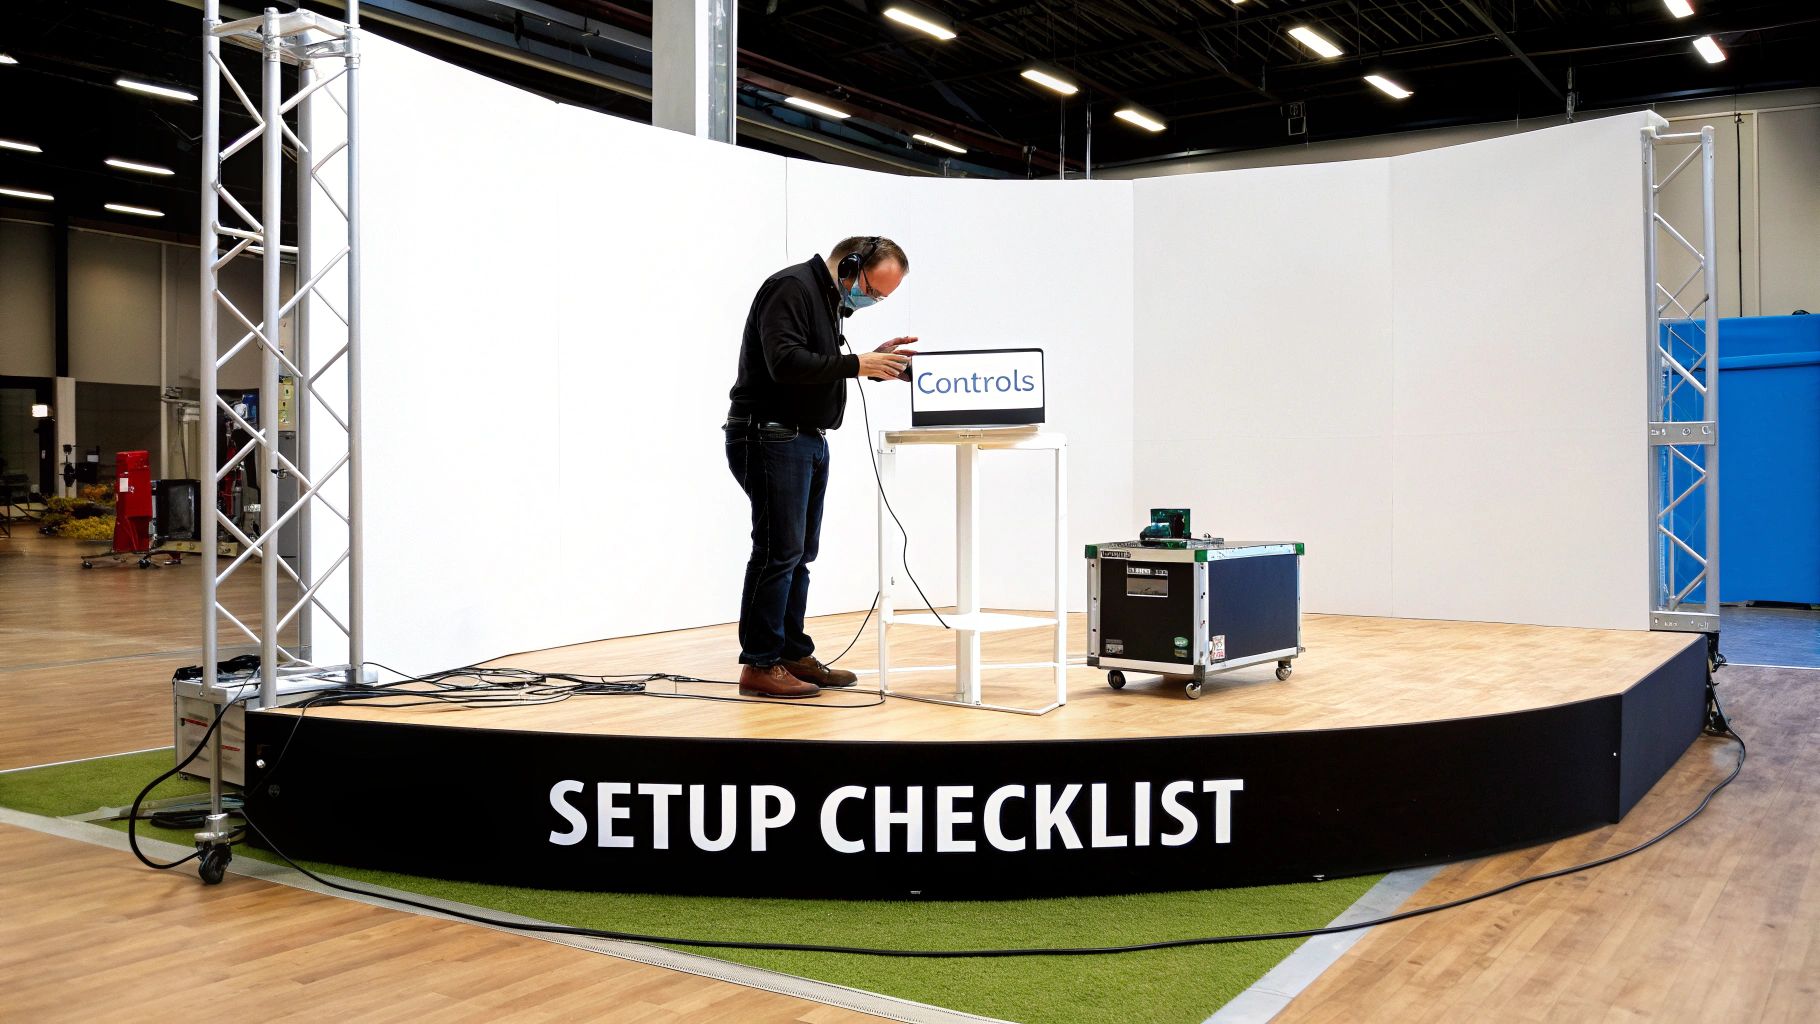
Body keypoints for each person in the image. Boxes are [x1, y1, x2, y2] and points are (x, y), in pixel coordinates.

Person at [724, 236, 917, 698]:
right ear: (850, 264)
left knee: (799, 554)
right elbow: (784, 362)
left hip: (804, 437)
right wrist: (856, 363)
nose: (871, 301)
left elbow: (820, 364)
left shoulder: (829, 301)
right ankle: (759, 663)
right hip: (770, 434)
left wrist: (869, 361)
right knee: (777, 551)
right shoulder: (791, 288)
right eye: (872, 290)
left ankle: (790, 652)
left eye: (881, 298)